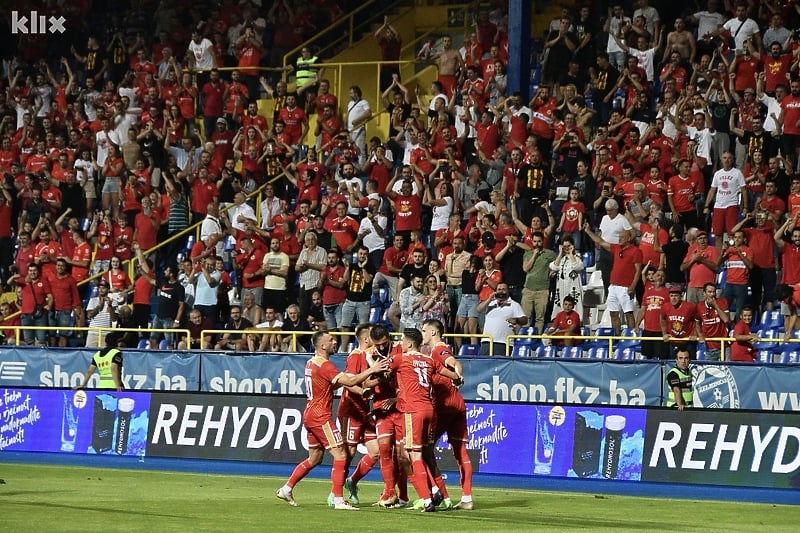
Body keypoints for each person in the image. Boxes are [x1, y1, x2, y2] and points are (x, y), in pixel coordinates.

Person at [276, 331, 387, 509]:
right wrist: (372, 370)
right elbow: (349, 382)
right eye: (331, 340)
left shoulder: (312, 363)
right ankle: (337, 499)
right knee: (341, 454)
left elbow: (335, 383)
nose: (335, 342)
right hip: (320, 416)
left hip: (310, 413)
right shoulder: (325, 365)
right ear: (322, 346)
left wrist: (361, 390)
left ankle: (286, 488)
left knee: (315, 458)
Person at [386, 327, 462, 512]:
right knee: (426, 453)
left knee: (414, 455)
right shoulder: (429, 360)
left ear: (410, 343)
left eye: (402, 341)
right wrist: (458, 378)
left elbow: (382, 367)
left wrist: (372, 362)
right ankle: (438, 492)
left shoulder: (401, 358)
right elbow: (452, 375)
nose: (400, 344)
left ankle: (426, 499)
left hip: (413, 411)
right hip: (430, 410)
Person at [421, 319, 473, 510]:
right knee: (460, 452)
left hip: (444, 405)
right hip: (457, 403)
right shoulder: (435, 351)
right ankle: (466, 498)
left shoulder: (438, 349)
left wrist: (459, 375)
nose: (422, 333)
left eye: (424, 330)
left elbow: (454, 362)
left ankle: (439, 493)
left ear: (434, 333)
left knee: (423, 450)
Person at [584, 225, 643, 334]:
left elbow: (638, 271)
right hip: (613, 286)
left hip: (626, 287)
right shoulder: (617, 248)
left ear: (629, 238)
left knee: (628, 314)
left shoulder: (635, 251)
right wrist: (588, 231)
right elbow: (601, 242)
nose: (619, 239)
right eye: (619, 236)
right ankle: (616, 337)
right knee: (613, 314)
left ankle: (630, 337)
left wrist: (633, 286)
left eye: (622, 237)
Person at [476, 282, 528, 355]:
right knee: (482, 364)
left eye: (503, 289)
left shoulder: (514, 305)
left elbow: (525, 319)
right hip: (487, 341)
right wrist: (489, 299)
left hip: (503, 342)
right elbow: (479, 309)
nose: (501, 291)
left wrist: (516, 320)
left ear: (508, 291)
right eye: (499, 289)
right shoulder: (490, 304)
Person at [548, 235, 584, 321]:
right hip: (561, 289)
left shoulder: (577, 258)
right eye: (565, 246)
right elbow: (553, 267)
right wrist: (560, 253)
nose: (567, 248)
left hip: (572, 288)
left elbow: (577, 266)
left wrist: (571, 253)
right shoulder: (561, 259)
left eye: (568, 246)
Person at [696, 283, 730, 362]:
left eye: (714, 292)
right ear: (704, 293)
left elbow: (726, 320)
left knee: (727, 371)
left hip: (723, 345)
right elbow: (697, 322)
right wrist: (700, 335)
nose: (712, 294)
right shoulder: (699, 306)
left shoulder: (722, 302)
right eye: (709, 292)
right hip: (710, 347)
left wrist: (715, 306)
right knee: (710, 371)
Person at [661, 286, 698, 359]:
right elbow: (662, 319)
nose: (673, 298)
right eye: (671, 296)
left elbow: (698, 320)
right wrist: (664, 333)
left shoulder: (690, 307)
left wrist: (695, 334)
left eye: (676, 296)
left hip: (688, 341)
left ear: (681, 296)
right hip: (674, 341)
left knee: (691, 364)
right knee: (673, 364)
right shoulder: (665, 306)